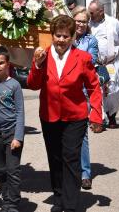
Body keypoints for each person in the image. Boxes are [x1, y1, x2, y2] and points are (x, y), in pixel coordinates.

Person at [27, 15, 103, 212]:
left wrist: (96, 116)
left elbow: (94, 88)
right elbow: (33, 85)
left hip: (74, 117)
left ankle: (70, 205)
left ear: (72, 38)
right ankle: (59, 198)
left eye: (65, 36)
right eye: (57, 36)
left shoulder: (83, 58)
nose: (61, 40)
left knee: (71, 157)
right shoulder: (42, 55)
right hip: (49, 116)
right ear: (52, 35)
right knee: (55, 158)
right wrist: (36, 65)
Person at [0, 47, 25, 212]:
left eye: (1, 63)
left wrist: (18, 137)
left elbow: (20, 112)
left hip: (12, 134)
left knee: (12, 170)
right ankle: (6, 196)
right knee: (0, 170)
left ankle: (11, 204)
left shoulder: (14, 85)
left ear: (8, 64)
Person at [72, 6, 99, 190]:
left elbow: (91, 61)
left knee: (82, 136)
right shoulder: (63, 37)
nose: (80, 24)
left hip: (81, 92)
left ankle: (85, 173)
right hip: (63, 93)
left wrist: (73, 48)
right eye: (77, 20)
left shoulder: (91, 41)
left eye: (83, 21)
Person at [88, 0, 119, 128]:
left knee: (115, 90)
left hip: (111, 64)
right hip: (95, 64)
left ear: (101, 11)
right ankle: (100, 118)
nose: (90, 15)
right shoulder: (88, 24)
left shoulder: (113, 23)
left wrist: (113, 57)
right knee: (97, 91)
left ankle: (112, 114)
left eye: (92, 13)